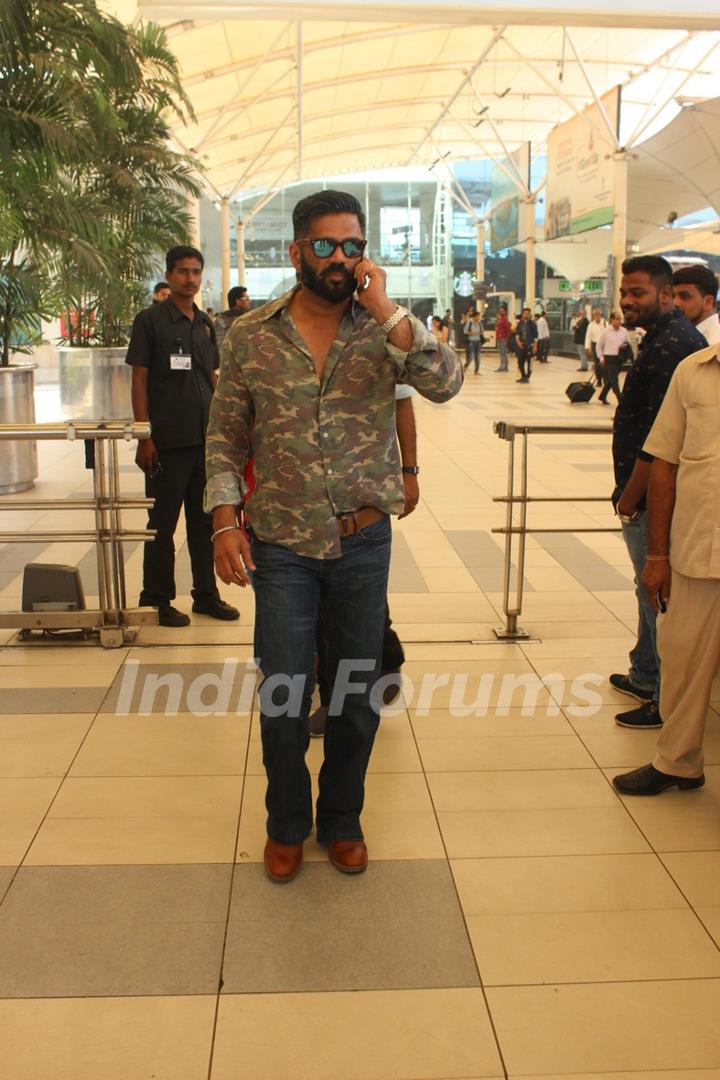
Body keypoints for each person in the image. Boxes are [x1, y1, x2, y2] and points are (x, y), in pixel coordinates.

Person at [205, 189, 462, 883]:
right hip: (282, 542)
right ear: (296, 252)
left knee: (355, 693)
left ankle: (342, 819)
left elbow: (445, 383)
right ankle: (287, 822)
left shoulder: (385, 328)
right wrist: (225, 519)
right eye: (325, 246)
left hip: (362, 542)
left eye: (353, 246)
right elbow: (225, 437)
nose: (341, 259)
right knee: (285, 692)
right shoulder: (251, 335)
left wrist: (387, 309)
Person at [613, 335, 720, 795]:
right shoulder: (694, 371)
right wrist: (656, 555)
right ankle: (678, 762)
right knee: (680, 661)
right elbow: (663, 464)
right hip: (697, 549)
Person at [608, 255, 706, 729]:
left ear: (666, 295)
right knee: (645, 590)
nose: (628, 300)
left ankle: (663, 696)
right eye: (625, 292)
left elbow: (660, 442)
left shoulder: (674, 348)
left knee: (657, 594)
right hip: (640, 495)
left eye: (639, 292)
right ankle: (645, 673)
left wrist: (630, 498)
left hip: (650, 500)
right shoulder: (661, 340)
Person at [126, 245, 240, 627]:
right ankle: (155, 598)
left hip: (205, 442)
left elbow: (213, 378)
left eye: (195, 272)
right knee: (162, 522)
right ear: (169, 275)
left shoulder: (205, 325)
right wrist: (144, 435)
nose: (190, 279)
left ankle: (206, 595)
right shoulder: (150, 320)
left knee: (203, 523)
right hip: (166, 443)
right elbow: (139, 379)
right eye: (182, 272)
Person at [308, 384, 419, 738]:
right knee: (312, 604)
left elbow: (402, 400)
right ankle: (328, 682)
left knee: (352, 604)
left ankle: (354, 681)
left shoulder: (380, 332)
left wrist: (410, 472)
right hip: (296, 497)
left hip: (360, 498)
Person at [672, 264, 720, 346]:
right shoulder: (685, 334)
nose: (675, 303)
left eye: (685, 296)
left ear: (708, 302)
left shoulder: (715, 344)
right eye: (673, 296)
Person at [596, 311, 630, 406]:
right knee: (614, 380)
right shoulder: (606, 331)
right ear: (612, 320)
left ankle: (602, 395)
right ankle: (621, 400)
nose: (620, 321)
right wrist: (601, 357)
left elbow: (628, 343)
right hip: (609, 359)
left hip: (619, 359)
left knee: (611, 380)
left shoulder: (624, 331)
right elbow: (599, 346)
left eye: (620, 319)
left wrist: (624, 346)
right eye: (618, 319)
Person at [214, 285, 252, 355]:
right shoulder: (245, 324)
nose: (250, 302)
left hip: (220, 364)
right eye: (247, 299)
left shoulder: (216, 323)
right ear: (238, 302)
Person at [584, 308, 607, 386]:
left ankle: (605, 379)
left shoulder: (605, 323)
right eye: (595, 315)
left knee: (605, 363)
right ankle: (599, 380)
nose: (597, 316)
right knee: (597, 364)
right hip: (595, 345)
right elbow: (588, 336)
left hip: (604, 345)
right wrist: (587, 347)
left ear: (601, 315)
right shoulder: (591, 325)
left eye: (598, 314)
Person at [515, 307, 537, 382]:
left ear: (530, 314)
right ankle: (523, 376)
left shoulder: (532, 324)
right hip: (522, 345)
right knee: (520, 362)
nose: (526, 315)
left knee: (529, 362)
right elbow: (517, 334)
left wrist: (535, 346)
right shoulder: (520, 323)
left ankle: (527, 377)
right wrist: (518, 342)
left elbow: (536, 335)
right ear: (523, 314)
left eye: (528, 314)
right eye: (525, 314)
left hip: (530, 346)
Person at [494, 304, 511, 372]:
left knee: (503, 353)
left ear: (505, 312)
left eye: (502, 311)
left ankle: (502, 366)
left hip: (503, 338)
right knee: (502, 352)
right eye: (500, 311)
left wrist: (506, 337)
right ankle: (505, 366)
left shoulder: (504, 319)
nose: (501, 312)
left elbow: (507, 328)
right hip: (499, 338)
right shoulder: (500, 319)